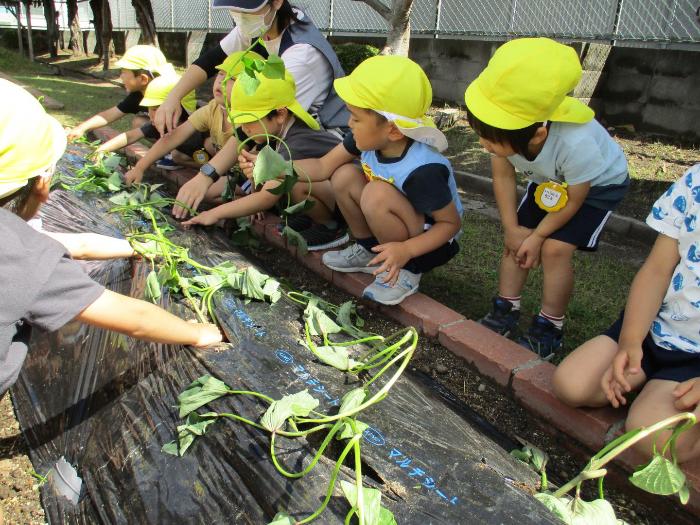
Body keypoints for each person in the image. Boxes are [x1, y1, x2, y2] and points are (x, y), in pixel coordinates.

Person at [0, 80, 222, 398]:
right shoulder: (23, 257)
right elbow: (133, 317)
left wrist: (133, 246)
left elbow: (76, 246)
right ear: (42, 185)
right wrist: (196, 332)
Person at [464, 38, 629, 358]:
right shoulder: (505, 129)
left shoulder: (576, 142)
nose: (485, 146)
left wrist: (539, 236)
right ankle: (505, 310)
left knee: (554, 249)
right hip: (552, 182)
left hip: (596, 188)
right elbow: (502, 175)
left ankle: (549, 327)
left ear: (537, 134)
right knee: (517, 241)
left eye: (491, 141)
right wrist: (513, 228)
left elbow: (574, 200)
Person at [553, 165, 700, 463]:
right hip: (655, 328)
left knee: (654, 437)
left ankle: (656, 396)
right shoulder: (696, 180)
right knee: (571, 385)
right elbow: (657, 269)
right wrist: (630, 342)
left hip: (695, 361)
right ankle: (650, 382)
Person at [155, 0, 349, 216]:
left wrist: (206, 175)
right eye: (235, 11)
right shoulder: (262, 24)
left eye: (246, 10)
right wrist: (173, 97)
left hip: (322, 139)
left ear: (276, 2)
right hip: (282, 133)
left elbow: (255, 121)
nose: (239, 17)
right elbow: (210, 60)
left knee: (277, 181)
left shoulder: (301, 55)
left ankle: (322, 218)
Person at [295, 56, 463, 305]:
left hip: (431, 243)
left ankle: (407, 270)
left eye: (356, 118)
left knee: (376, 193)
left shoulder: (423, 170)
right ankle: (368, 249)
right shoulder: (368, 139)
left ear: (393, 130)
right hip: (400, 223)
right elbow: (322, 167)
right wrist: (274, 167)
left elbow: (450, 225)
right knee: (343, 175)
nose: (349, 123)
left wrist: (407, 251)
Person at [182, 68, 348, 251]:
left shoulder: (295, 143)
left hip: (344, 199)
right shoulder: (274, 132)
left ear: (280, 114)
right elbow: (261, 187)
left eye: (248, 121)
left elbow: (265, 198)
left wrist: (212, 214)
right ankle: (310, 217)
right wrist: (254, 177)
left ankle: (328, 226)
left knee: (293, 181)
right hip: (330, 192)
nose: (244, 129)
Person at [124, 51, 262, 195]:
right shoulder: (213, 107)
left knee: (204, 192)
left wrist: (254, 191)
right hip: (228, 170)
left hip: (250, 178)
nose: (222, 81)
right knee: (197, 182)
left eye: (232, 78)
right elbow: (176, 135)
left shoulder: (252, 119)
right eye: (221, 73)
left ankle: (246, 200)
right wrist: (140, 167)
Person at [66, 45, 175, 142]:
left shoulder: (168, 95)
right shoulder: (138, 95)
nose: (121, 77)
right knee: (139, 122)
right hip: (172, 134)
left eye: (123, 72)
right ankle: (166, 152)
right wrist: (81, 128)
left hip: (184, 135)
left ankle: (172, 153)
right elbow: (108, 115)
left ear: (143, 79)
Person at [93, 74, 203, 169]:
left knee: (178, 155)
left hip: (209, 160)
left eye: (155, 109)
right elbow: (129, 136)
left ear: (180, 108)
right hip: (194, 155)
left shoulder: (202, 126)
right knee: (176, 154)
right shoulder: (161, 124)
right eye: (150, 109)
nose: (150, 114)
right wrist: (101, 150)